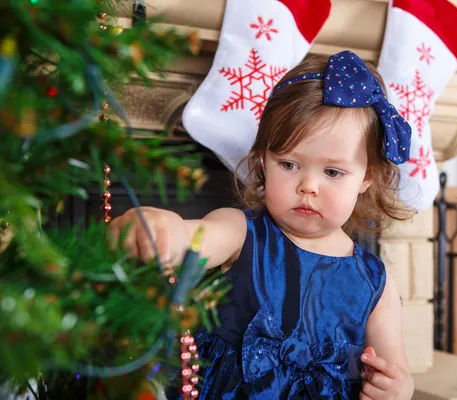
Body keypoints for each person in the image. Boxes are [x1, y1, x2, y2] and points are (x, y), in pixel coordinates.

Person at [109, 50, 415, 400]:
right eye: (288, 164)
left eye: (332, 172)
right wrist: (164, 229)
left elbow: (395, 367)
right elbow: (194, 239)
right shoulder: (241, 232)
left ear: (365, 178)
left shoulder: (374, 280)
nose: (308, 186)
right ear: (263, 162)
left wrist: (397, 389)